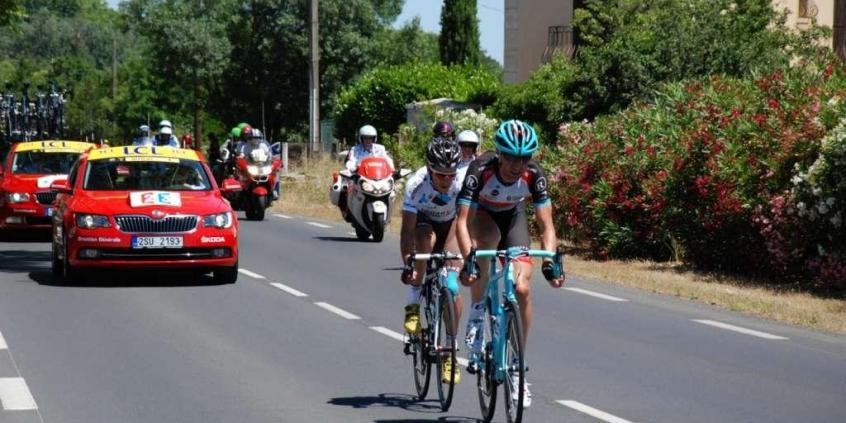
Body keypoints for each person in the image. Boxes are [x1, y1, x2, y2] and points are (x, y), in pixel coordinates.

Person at [456, 119, 565, 407]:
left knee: (523, 288)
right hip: (483, 215)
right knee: (487, 246)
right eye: (512, 157)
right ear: (500, 153)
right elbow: (462, 222)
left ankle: (517, 365)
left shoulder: (533, 174)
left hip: (514, 217)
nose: (518, 164)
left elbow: (547, 225)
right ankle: (478, 313)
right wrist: (469, 260)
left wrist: (550, 261)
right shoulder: (480, 169)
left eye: (525, 157)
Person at [400, 136, 464, 385]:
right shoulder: (416, 184)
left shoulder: (461, 181)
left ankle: (450, 351)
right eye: (440, 175)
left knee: (452, 285)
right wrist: (408, 262)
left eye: (451, 175)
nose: (447, 180)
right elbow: (407, 230)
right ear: (429, 170)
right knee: (424, 242)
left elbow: (466, 220)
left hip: (451, 225)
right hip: (424, 224)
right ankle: (414, 303)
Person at [339, 125, 394, 219]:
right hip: (360, 176)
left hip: (378, 177)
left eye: (370, 138)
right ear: (361, 139)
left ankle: (388, 213)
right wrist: (353, 168)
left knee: (392, 190)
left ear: (374, 139)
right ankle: (347, 210)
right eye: (365, 138)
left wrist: (392, 169)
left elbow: (387, 160)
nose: (368, 141)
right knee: (344, 188)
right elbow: (351, 161)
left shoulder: (380, 149)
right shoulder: (355, 149)